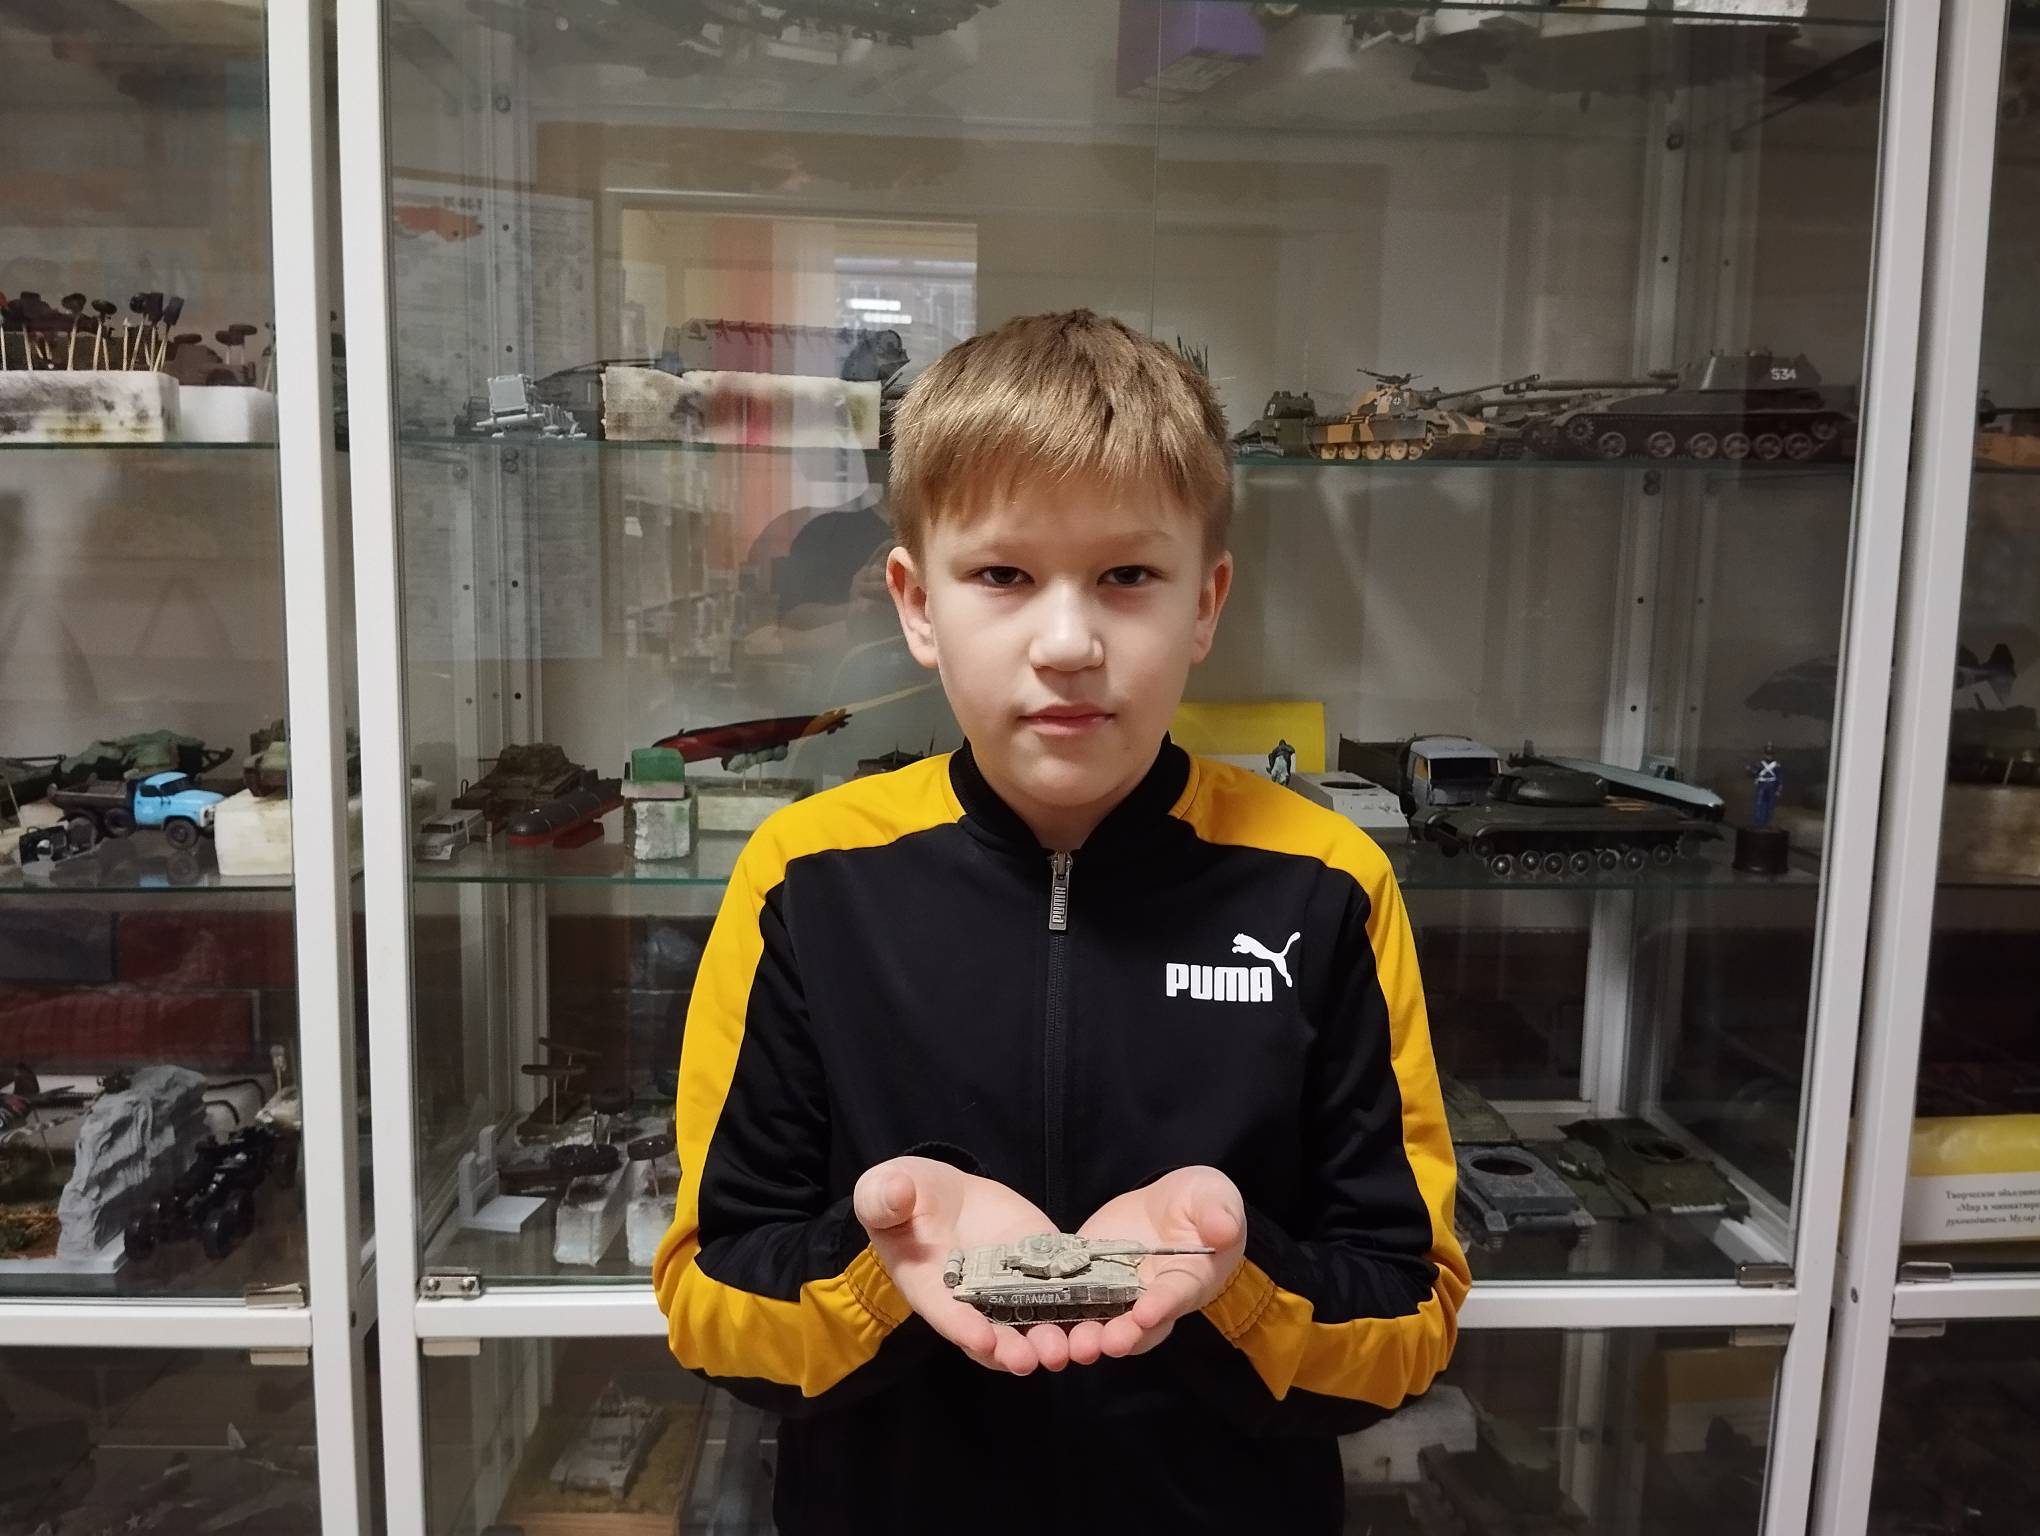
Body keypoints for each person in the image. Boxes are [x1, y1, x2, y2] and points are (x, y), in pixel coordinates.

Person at [652, 310, 1468, 1531]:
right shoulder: (805, 879)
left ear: (1206, 603)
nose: (1071, 642)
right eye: (1003, 576)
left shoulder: (1326, 883)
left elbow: (1407, 1319)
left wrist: (1234, 1278)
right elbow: (713, 1305)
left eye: (1129, 577)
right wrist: (883, 1269)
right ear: (916, 604)